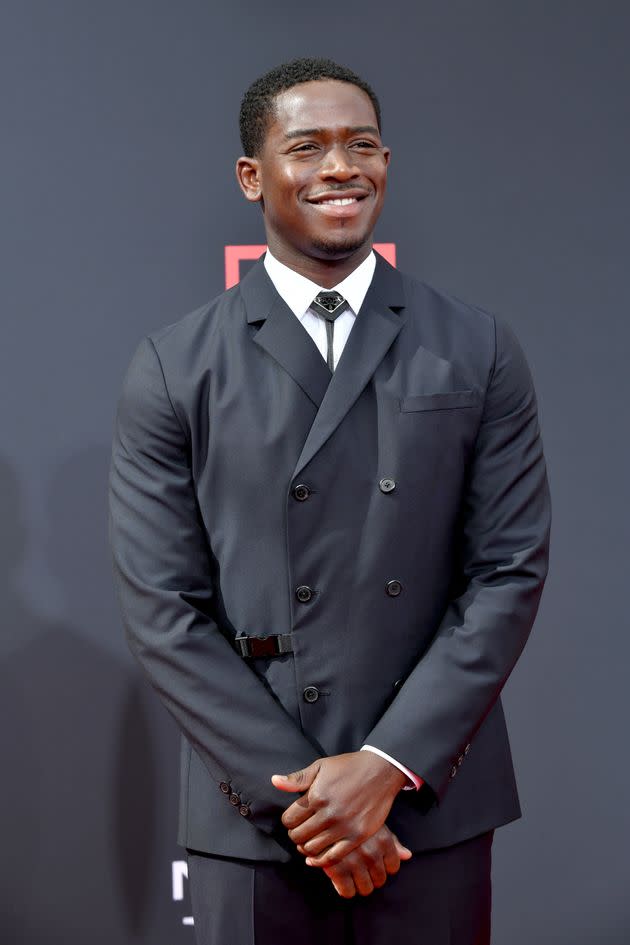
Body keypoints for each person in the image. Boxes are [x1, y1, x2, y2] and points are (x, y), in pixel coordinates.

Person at [109, 57, 551, 945]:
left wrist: (386, 767)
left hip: (429, 806)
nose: (340, 167)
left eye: (362, 146)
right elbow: (165, 609)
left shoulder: (475, 346)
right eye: (307, 146)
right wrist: (315, 799)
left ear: (387, 164)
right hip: (260, 818)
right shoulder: (175, 366)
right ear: (253, 176)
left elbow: (507, 572)